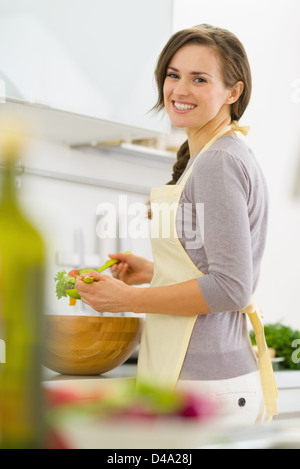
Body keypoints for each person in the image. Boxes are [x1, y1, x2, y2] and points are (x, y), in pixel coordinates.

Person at [76, 24, 278, 424]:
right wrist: (154, 273)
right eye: (173, 74)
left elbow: (232, 288)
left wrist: (126, 300)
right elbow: (212, 270)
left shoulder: (219, 162)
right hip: (201, 381)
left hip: (206, 388)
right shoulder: (214, 156)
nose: (180, 90)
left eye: (199, 79)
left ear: (233, 92)